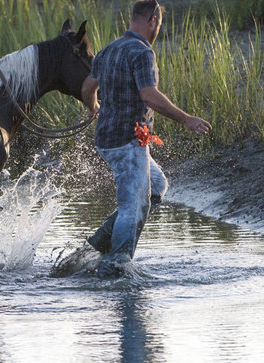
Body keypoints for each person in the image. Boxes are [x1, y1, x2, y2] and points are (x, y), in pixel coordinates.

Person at [81, 0, 212, 277]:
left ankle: (95, 246)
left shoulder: (108, 50)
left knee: (156, 186)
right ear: (153, 20)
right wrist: (186, 119)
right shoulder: (142, 52)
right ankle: (115, 265)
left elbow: (87, 87)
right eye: (159, 24)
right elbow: (148, 94)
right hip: (127, 143)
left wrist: (94, 107)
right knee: (134, 203)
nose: (158, 30)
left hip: (108, 140)